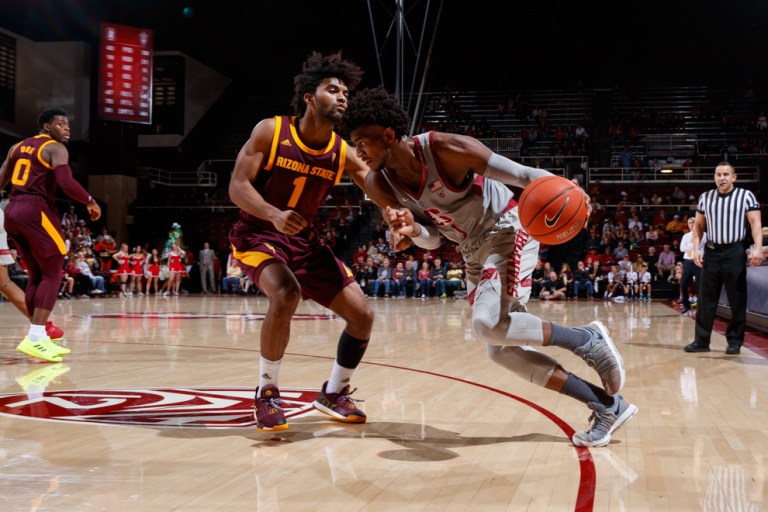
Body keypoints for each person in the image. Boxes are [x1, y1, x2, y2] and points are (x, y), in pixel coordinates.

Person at [344, 86, 636, 447]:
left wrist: (572, 192)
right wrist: (411, 230)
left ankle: (585, 340)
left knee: (487, 324)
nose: (356, 151)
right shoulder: (378, 182)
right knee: (501, 350)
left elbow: (524, 175)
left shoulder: (446, 148)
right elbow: (432, 240)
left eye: (361, 141)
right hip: (470, 249)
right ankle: (607, 405)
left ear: (388, 135)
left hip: (505, 227)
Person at [227, 51, 373, 432]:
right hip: (258, 233)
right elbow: (238, 187)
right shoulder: (271, 131)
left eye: (345, 92)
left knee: (362, 315)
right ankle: (267, 393)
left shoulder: (342, 150)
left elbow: (374, 182)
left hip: (303, 240)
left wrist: (395, 211)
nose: (342, 97)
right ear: (310, 97)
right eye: (332, 89)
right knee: (286, 293)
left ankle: (334, 393)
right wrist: (273, 214)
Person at [0, 107, 101, 362]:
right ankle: (35, 337)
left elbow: (1, 178)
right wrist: (89, 200)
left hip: (11, 210)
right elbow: (66, 183)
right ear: (47, 127)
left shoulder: (17, 147)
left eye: (67, 125)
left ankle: (41, 337)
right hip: (36, 210)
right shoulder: (56, 148)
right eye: (60, 124)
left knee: (36, 274)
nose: (66, 128)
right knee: (54, 272)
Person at [684, 162, 763, 355]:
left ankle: (734, 342)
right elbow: (699, 227)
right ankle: (702, 341)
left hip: (734, 252)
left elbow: (755, 223)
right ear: (714, 177)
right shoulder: (705, 197)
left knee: (737, 298)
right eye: (718, 174)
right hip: (712, 252)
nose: (722, 178)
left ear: (734, 177)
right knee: (705, 299)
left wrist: (758, 249)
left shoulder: (746, 196)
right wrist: (696, 249)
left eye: (726, 174)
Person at [678, 217, 704, 314]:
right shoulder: (686, 236)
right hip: (688, 262)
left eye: (693, 222)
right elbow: (681, 248)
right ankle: (686, 305)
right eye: (690, 223)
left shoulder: (703, 234)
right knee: (683, 284)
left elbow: (700, 245)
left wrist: (689, 246)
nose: (692, 224)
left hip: (699, 262)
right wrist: (692, 246)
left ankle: (701, 308)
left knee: (699, 286)